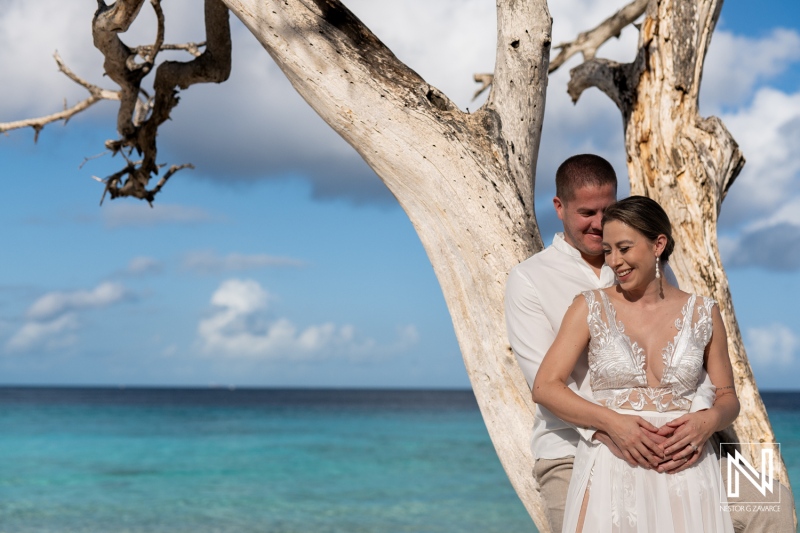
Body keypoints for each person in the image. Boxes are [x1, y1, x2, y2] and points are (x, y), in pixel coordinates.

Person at [505, 155, 795, 532]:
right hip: (574, 446)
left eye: (607, 210)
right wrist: (615, 429)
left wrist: (695, 423)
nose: (598, 224)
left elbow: (695, 361)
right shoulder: (531, 279)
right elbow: (542, 382)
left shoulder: (657, 270)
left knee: (772, 504)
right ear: (559, 208)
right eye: (587, 212)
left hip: (676, 441)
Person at [532, 195, 738, 532]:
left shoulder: (704, 312)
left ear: (658, 244)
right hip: (613, 464)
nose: (614, 261)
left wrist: (708, 422)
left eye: (624, 248)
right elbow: (544, 387)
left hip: (685, 468)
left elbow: (728, 396)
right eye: (608, 250)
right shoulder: (589, 307)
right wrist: (613, 424)